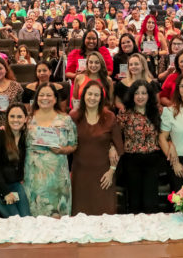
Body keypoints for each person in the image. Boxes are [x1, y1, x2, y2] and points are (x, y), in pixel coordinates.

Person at [70, 81, 123, 215]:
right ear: (83, 95)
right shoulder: (73, 117)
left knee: (104, 215)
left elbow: (119, 147)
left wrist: (111, 171)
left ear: (101, 98)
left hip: (104, 175)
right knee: (80, 216)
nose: (92, 98)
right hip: (80, 175)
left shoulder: (109, 117)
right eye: (90, 94)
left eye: (96, 95)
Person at [24, 82, 78, 217]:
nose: (45, 98)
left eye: (49, 95)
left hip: (57, 177)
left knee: (57, 219)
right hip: (33, 175)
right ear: (36, 98)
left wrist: (61, 150)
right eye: (41, 95)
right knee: (35, 216)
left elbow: (74, 145)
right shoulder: (28, 118)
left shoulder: (65, 119)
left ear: (55, 99)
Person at [117, 80, 163, 213]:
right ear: (132, 95)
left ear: (149, 95)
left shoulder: (156, 112)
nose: (140, 96)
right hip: (131, 160)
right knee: (134, 202)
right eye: (137, 93)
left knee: (150, 202)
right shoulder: (125, 113)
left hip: (152, 161)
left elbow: (163, 135)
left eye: (144, 93)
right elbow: (116, 135)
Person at [0, 104, 31, 217]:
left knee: (27, 219)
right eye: (12, 116)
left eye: (19, 117)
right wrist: (5, 192)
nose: (16, 120)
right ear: (7, 118)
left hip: (15, 184)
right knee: (15, 221)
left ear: (26, 119)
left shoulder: (25, 137)